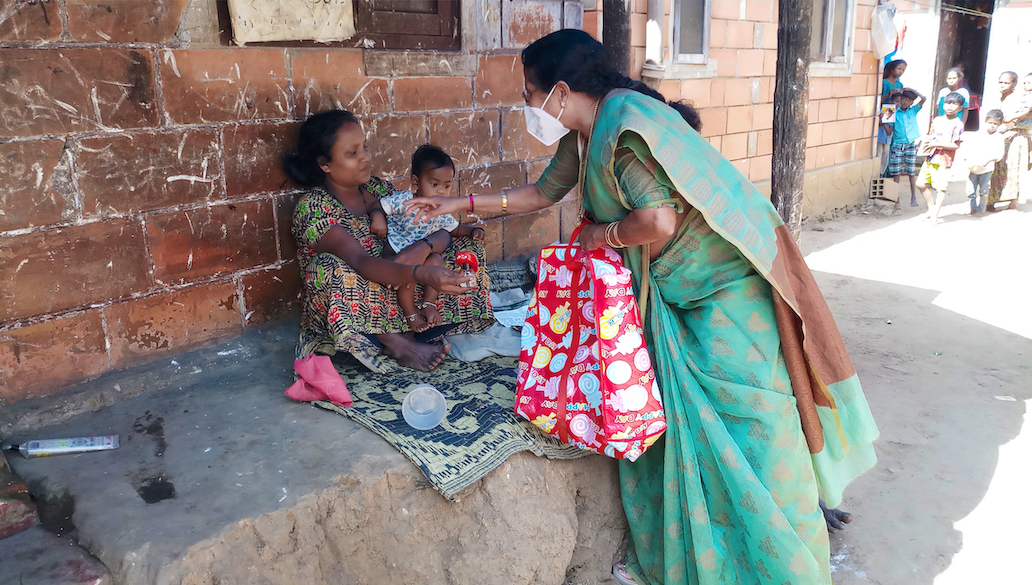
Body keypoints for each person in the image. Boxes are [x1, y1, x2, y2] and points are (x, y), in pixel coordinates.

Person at [406, 29, 878, 585]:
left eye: (529, 95)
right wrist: (453, 202)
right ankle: (717, 559)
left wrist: (600, 236)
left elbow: (657, 222)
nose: (528, 107)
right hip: (678, 294)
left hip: (725, 297)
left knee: (756, 436)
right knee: (698, 434)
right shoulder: (584, 134)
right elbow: (539, 194)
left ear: (559, 91)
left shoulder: (624, 132)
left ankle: (786, 567)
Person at [282, 110, 495, 373]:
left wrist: (422, 248)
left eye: (365, 147)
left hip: (403, 282)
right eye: (353, 153)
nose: (366, 157)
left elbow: (440, 228)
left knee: (467, 249)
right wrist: (419, 271)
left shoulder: (380, 189)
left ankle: (422, 324)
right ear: (325, 164)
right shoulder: (314, 208)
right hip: (364, 284)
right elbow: (361, 262)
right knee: (331, 269)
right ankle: (391, 339)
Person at [367, 144, 487, 332]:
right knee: (409, 273)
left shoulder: (442, 210)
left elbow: (455, 229)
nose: (441, 191)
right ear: (416, 182)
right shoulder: (404, 200)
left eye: (446, 186)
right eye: (434, 184)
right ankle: (410, 313)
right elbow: (378, 205)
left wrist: (473, 231)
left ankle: (428, 304)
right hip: (398, 255)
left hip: (425, 256)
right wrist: (378, 218)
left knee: (437, 260)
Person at [917, 92, 965, 223]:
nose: (950, 106)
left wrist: (936, 144)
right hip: (931, 157)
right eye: (948, 103)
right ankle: (931, 208)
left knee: (940, 189)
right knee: (920, 183)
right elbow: (931, 135)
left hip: (944, 160)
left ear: (960, 108)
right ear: (943, 105)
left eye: (954, 104)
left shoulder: (958, 124)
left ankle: (935, 215)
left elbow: (956, 145)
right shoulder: (937, 120)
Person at [987, 72, 1032, 211]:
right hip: (1001, 135)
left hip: (1015, 136)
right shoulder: (999, 98)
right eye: (1000, 82)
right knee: (996, 169)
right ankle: (992, 200)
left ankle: (1012, 203)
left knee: (1012, 169)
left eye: (1006, 83)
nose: (1002, 85)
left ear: (1014, 85)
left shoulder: (1019, 98)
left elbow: (1025, 114)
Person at [959, 109, 1005, 215]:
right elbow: (969, 148)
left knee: (984, 191)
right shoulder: (978, 135)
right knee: (970, 190)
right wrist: (967, 159)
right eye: (990, 123)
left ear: (999, 124)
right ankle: (973, 208)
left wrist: (988, 161)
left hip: (987, 169)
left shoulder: (998, 138)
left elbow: (999, 154)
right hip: (974, 167)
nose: (992, 126)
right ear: (985, 122)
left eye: (995, 124)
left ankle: (981, 209)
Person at [887, 89, 926, 207]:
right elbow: (889, 132)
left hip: (911, 144)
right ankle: (896, 197)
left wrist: (912, 90)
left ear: (912, 103)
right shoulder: (892, 112)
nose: (904, 101)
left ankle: (913, 197)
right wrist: (883, 122)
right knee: (896, 172)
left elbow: (924, 98)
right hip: (897, 144)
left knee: (911, 172)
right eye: (903, 98)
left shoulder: (913, 110)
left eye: (908, 100)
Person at [879, 60, 907, 176]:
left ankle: (884, 173)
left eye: (903, 70)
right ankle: (880, 174)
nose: (901, 72)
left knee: (888, 146)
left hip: (892, 113)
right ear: (892, 69)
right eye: (899, 69)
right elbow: (877, 100)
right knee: (881, 145)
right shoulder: (883, 83)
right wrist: (889, 94)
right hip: (884, 111)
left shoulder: (900, 85)